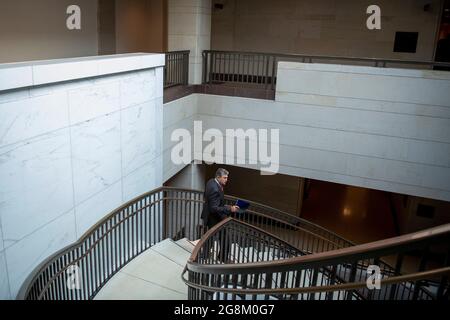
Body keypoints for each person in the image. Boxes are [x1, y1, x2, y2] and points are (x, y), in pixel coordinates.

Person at [201, 168, 239, 262]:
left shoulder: (211, 182)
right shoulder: (215, 189)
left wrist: (223, 205)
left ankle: (204, 255)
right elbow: (214, 208)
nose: (226, 180)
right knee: (226, 240)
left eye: (227, 177)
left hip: (209, 216)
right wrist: (230, 208)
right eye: (225, 178)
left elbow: (209, 199)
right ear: (218, 177)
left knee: (209, 237)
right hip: (215, 218)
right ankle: (222, 258)